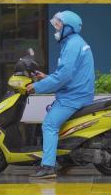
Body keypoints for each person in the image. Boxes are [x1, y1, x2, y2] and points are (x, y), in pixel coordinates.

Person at [25, 11, 95, 179]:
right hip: (77, 92)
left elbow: (64, 76)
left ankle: (48, 167)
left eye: (59, 26)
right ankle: (60, 157)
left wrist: (37, 87)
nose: (56, 29)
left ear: (69, 28)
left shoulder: (71, 45)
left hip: (73, 97)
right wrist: (47, 78)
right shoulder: (74, 43)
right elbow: (69, 75)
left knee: (49, 125)